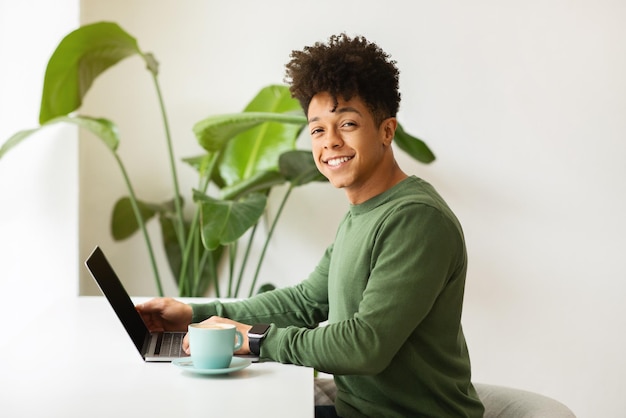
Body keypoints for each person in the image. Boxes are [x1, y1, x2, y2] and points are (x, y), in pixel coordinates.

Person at [137, 33, 484, 418]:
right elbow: (305, 303)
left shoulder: (416, 219)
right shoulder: (363, 214)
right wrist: (194, 313)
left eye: (347, 123)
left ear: (387, 130)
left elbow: (364, 345)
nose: (330, 142)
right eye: (318, 129)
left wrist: (251, 339)